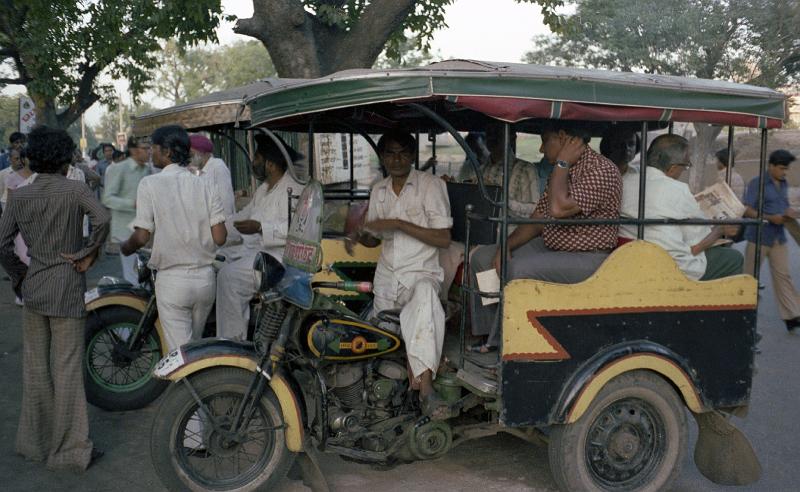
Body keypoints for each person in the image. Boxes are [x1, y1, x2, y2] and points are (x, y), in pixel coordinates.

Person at [0, 125, 110, 471]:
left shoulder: (18, 196)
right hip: (66, 285)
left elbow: (2, 244)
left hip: (34, 287)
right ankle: (70, 451)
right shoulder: (75, 189)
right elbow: (103, 217)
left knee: (36, 369)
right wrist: (87, 253)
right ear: (66, 159)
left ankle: (36, 444)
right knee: (66, 370)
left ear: (32, 159)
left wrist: (19, 275)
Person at [469, 121, 621, 353]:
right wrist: (504, 246)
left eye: (544, 141)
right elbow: (538, 219)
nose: (540, 150)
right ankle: (491, 337)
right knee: (482, 258)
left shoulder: (601, 170)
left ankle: (506, 344)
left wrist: (561, 164)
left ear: (562, 137)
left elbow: (559, 209)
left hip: (589, 257)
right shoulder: (561, 170)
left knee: (518, 269)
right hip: (553, 246)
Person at [346, 131, 452, 418]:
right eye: (390, 153)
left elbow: (443, 238)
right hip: (388, 278)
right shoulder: (378, 190)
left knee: (425, 299)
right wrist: (358, 236)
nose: (396, 159)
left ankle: (427, 389)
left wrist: (399, 223)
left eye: (403, 152)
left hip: (421, 273)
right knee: (377, 341)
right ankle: (374, 402)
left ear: (412, 155)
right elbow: (377, 239)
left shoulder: (430, 186)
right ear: (381, 157)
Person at [121, 125, 226, 350]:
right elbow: (220, 237)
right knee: (195, 348)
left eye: (154, 148)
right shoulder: (206, 184)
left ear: (167, 151)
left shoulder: (149, 184)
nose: (151, 153)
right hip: (205, 281)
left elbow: (141, 237)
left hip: (172, 282)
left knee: (182, 357)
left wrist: (125, 248)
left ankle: (193, 385)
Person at [619, 134, 743, 280]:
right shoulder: (677, 189)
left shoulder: (625, 179)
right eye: (685, 166)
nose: (683, 171)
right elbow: (698, 242)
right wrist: (719, 230)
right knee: (733, 258)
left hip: (631, 256)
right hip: (671, 266)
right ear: (672, 168)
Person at [215, 134, 302, 340]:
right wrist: (214, 227)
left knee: (229, 277)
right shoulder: (263, 190)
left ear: (270, 165)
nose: (253, 164)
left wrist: (261, 227)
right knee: (215, 260)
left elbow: (296, 229)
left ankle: (231, 343)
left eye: (257, 160)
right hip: (258, 253)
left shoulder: (294, 189)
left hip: (280, 259)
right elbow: (242, 218)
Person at [742, 149, 800, 332]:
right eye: (782, 168)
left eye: (786, 169)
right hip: (758, 238)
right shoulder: (756, 183)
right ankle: (741, 315)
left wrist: (789, 213)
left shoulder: (783, 184)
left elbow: (783, 207)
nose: (784, 172)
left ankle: (792, 316)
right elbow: (747, 210)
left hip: (778, 238)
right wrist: (768, 217)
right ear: (771, 166)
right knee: (749, 279)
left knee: (784, 277)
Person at [103, 137, 151, 284]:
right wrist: (133, 204)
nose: (149, 152)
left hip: (145, 229)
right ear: (134, 150)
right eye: (145, 148)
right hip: (126, 230)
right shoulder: (119, 169)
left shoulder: (148, 170)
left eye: (150, 148)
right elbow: (107, 199)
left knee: (146, 272)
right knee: (132, 275)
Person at [189, 134, 236, 218]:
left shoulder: (217, 166)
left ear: (201, 151)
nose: (189, 158)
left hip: (221, 222)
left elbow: (226, 200)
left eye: (191, 154)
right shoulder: (200, 171)